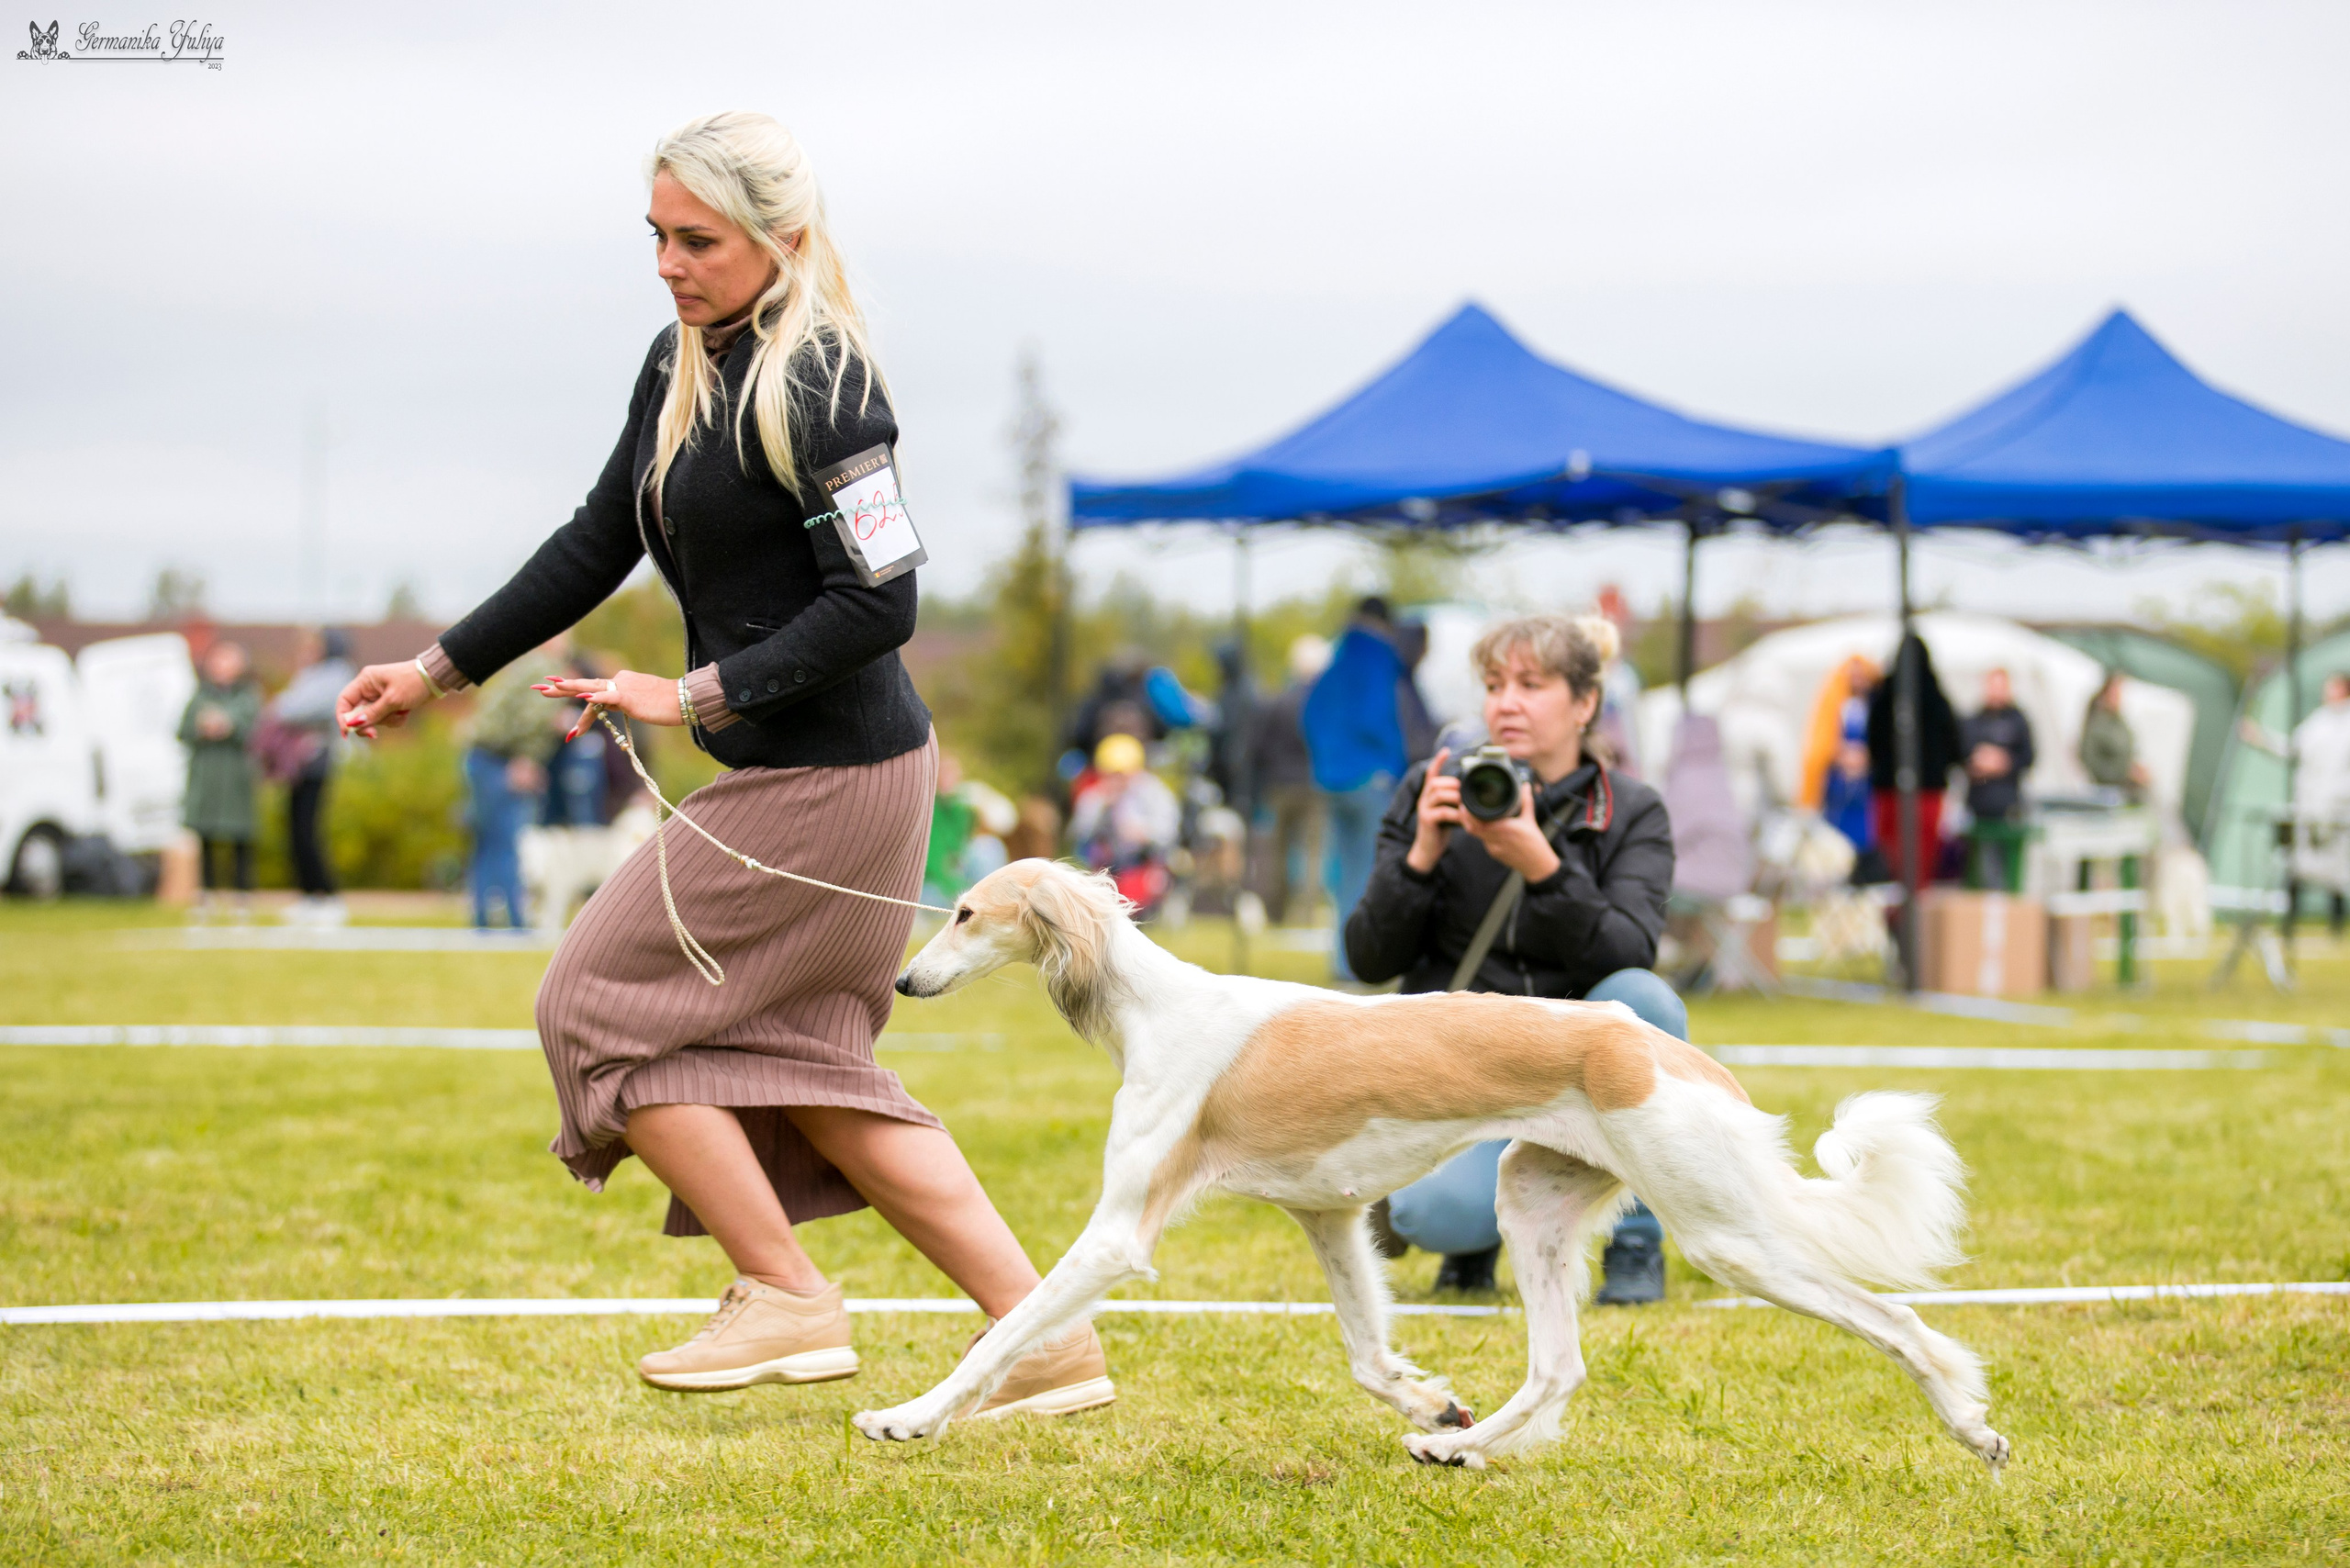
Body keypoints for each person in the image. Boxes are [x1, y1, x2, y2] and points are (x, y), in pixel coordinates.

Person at [334, 112, 1108, 1417]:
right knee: (800, 1064)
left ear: (781, 239)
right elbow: (597, 539)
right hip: (795, 779)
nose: (666, 264)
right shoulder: (681, 358)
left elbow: (884, 603)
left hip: (841, 783)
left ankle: (788, 1296)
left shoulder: (825, 383)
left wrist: (689, 695)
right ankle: (1044, 1338)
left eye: (695, 241)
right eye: (655, 235)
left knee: (591, 1003)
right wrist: (435, 672)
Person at [1344, 613, 1681, 1303]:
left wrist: (1544, 868)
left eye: (1532, 684)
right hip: (1465, 1067)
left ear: (1585, 704)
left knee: (1648, 1004)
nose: (1507, 703)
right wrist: (1420, 858)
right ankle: (1473, 1239)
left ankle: (1636, 1240)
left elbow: (1629, 951)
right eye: (1495, 684)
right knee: (1429, 1214)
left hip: (1574, 1065)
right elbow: (1369, 959)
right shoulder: (1431, 787)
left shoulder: (1631, 810)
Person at [1303, 597, 1420, 980]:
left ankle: (1343, 961)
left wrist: (1326, 760)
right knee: (1374, 874)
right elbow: (1379, 715)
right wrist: (1393, 766)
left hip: (1332, 779)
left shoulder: (1335, 656)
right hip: (1370, 778)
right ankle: (1361, 962)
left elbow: (1311, 713)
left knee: (1343, 874)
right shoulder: (1380, 658)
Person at [2239, 670, 2350, 937]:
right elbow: (2292, 748)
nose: (2327, 693)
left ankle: (2336, 927)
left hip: (2338, 808)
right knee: (2297, 865)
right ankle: (2289, 925)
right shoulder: (2317, 722)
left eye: (2332, 687)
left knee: (2337, 869)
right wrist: (2260, 738)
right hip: (2308, 805)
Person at [464, 646, 565, 929]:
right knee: (507, 841)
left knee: (486, 842)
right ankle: (515, 924)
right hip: (502, 760)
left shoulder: (524, 665)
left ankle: (483, 921)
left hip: (481, 757)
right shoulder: (544, 669)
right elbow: (533, 719)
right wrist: (528, 759)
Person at [267, 627, 356, 923]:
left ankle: (327, 897)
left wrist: (282, 704)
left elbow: (293, 709)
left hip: (316, 761)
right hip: (296, 764)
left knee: (308, 830)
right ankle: (307, 896)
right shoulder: (310, 673)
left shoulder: (336, 674)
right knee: (293, 830)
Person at [1865, 632, 1963, 897]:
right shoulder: (1936, 698)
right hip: (1926, 791)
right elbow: (1955, 747)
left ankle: (1896, 920)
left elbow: (1872, 742)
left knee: (1892, 862)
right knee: (1919, 864)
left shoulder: (1884, 696)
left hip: (1890, 789)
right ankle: (1915, 920)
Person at [1246, 633, 1329, 924]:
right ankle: (1305, 914)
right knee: (1312, 855)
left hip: (1279, 785)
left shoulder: (1278, 700)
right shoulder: (1325, 707)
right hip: (1315, 785)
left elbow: (1260, 745)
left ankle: (1276, 913)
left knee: (1276, 854)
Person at [177, 639, 262, 919]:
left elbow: (254, 728)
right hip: (207, 779)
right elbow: (183, 728)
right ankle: (206, 896)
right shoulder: (200, 695)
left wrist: (228, 724)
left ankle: (242, 897)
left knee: (239, 837)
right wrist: (203, 725)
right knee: (206, 837)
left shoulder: (247, 695)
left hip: (236, 779)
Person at [1070, 733, 1181, 915]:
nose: (1116, 780)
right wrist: (1102, 807)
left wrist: (1144, 834)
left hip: (1143, 862)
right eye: (1110, 774)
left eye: (1121, 774)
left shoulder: (1154, 792)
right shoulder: (1096, 796)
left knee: (1143, 887)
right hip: (1105, 867)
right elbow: (1079, 832)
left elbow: (1168, 831)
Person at [1959, 666, 2035, 890]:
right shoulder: (1973, 720)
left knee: (2006, 874)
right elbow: (1961, 755)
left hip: (2008, 808)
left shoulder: (2018, 720)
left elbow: (2028, 758)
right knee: (1979, 871)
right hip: (1978, 807)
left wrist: (2004, 762)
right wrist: (1978, 764)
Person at [2081, 669, 2151, 801]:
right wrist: (2125, 773)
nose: (2119, 696)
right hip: (2105, 792)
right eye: (2115, 691)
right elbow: (2091, 761)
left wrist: (2137, 770)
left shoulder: (2121, 723)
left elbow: (2128, 752)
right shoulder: (2098, 724)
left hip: (2126, 790)